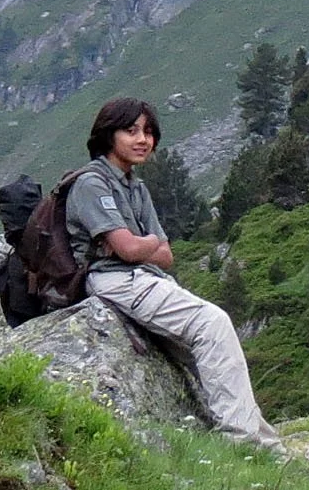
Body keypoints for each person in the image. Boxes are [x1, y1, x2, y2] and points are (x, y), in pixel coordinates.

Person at [65, 97, 283, 447]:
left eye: (148, 132)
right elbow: (129, 249)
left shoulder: (135, 187)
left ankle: (266, 446)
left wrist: (141, 244)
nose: (143, 140)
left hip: (143, 277)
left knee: (212, 350)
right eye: (131, 131)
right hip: (112, 279)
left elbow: (165, 256)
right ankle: (243, 440)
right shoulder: (92, 184)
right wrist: (147, 242)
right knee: (212, 324)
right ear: (108, 135)